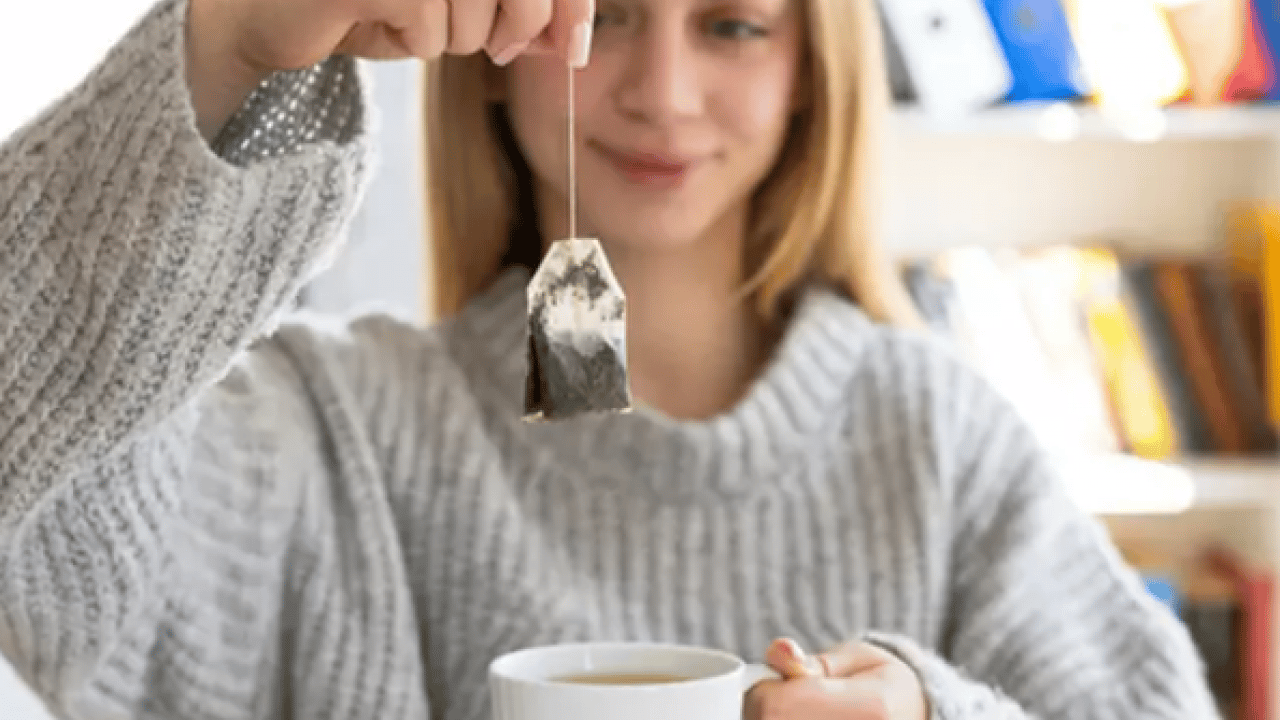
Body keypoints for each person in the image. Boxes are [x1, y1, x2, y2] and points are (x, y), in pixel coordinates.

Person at [0, 0, 1218, 717]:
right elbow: (39, 502)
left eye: (732, 23)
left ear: (809, 74)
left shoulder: (938, 437)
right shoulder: (334, 428)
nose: (661, 93)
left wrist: (929, 708)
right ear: (494, 44)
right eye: (608, 14)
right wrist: (231, 42)